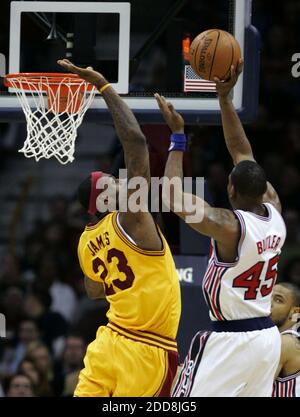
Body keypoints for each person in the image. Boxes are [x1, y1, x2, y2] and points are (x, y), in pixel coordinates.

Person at [155, 60, 286, 397]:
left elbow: (172, 197)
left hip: (231, 341)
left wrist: (178, 138)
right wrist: (224, 100)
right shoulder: (275, 209)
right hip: (267, 339)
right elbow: (242, 151)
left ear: (230, 190)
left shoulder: (230, 227)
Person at [57, 59, 181, 397]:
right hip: (145, 350)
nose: (121, 182)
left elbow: (95, 291)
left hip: (108, 343)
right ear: (105, 199)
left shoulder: (85, 242)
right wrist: (103, 85)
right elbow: (137, 144)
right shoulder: (131, 217)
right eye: (113, 183)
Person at [271, 283, 300, 397]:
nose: (269, 303)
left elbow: (255, 389)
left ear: (294, 312)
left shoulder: (286, 343)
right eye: (267, 297)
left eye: (278, 300)